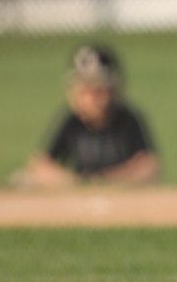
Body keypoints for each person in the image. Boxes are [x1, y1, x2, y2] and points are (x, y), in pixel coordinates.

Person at [13, 44, 159, 187]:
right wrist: (75, 181)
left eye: (97, 91)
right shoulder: (72, 121)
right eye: (85, 91)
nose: (91, 99)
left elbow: (148, 167)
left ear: (113, 90)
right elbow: (41, 164)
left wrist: (106, 180)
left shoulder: (128, 119)